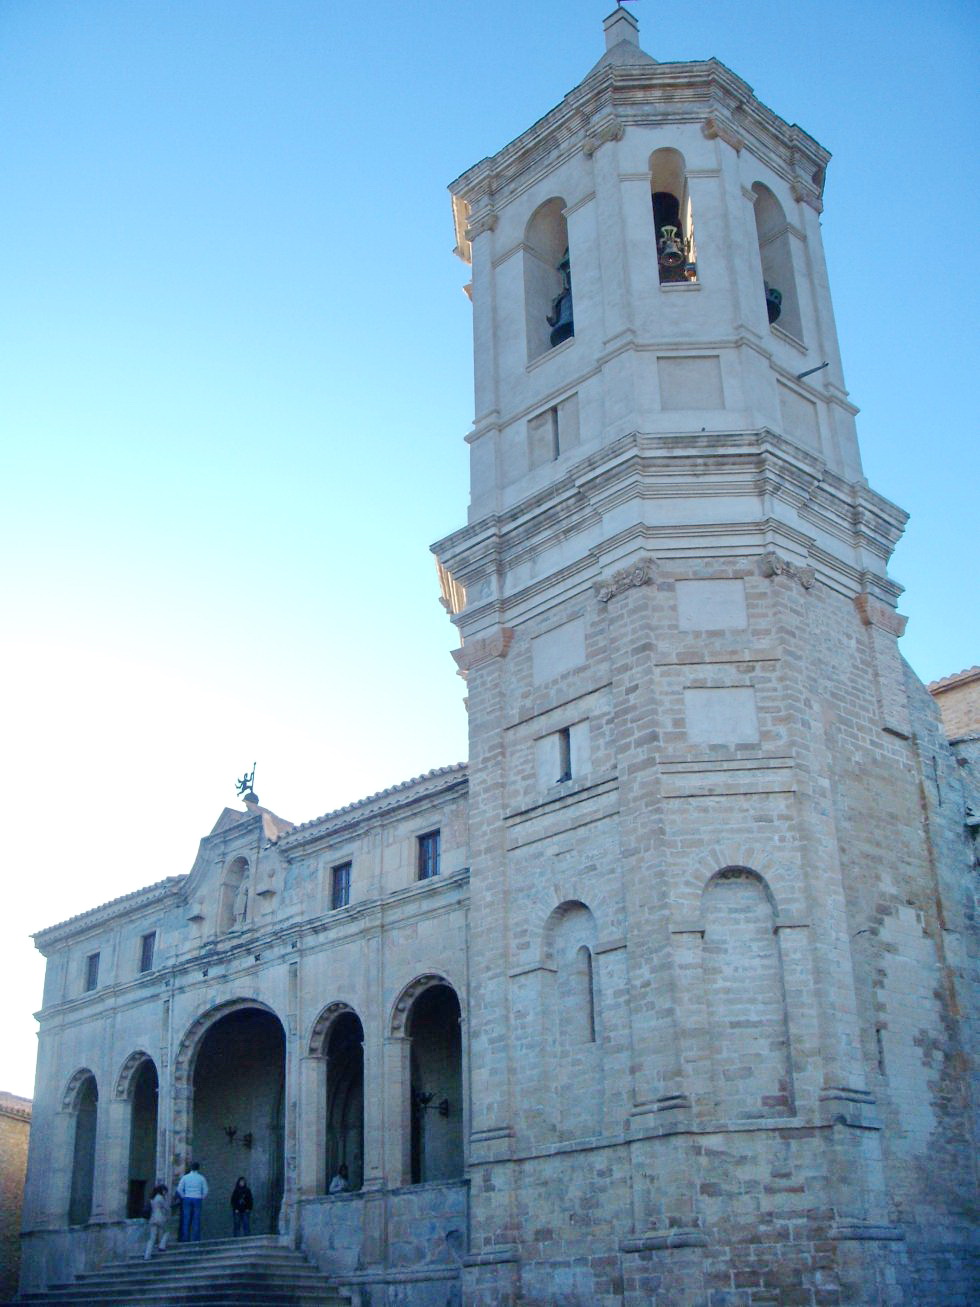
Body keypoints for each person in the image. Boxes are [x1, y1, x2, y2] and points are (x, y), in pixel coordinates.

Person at [176, 1162, 208, 1241]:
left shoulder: (185, 1177)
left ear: (191, 1168)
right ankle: (195, 1239)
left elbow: (179, 1189)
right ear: (198, 1168)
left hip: (187, 1198)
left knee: (186, 1219)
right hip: (197, 1198)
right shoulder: (201, 1178)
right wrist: (202, 1197)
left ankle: (185, 1238)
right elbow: (206, 1190)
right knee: (196, 1219)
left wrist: (183, 1196)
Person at [143, 1184, 169, 1260]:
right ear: (163, 1191)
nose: (166, 1193)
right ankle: (162, 1246)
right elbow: (167, 1208)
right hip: (160, 1218)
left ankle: (147, 1255)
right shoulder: (160, 1198)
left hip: (152, 1218)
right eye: (165, 1191)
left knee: (152, 1238)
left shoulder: (152, 1198)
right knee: (166, 1231)